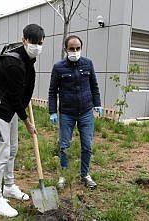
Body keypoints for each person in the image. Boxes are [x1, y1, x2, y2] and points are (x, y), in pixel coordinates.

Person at [0, 24, 45, 218]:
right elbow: (14, 96)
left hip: (10, 108)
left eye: (40, 43)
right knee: (1, 152)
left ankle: (9, 186)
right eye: (34, 42)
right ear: (24, 40)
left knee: (12, 149)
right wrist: (26, 121)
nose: (37, 46)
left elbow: (21, 93)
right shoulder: (14, 63)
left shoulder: (27, 58)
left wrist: (23, 110)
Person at [48, 35, 103, 189]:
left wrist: (97, 104)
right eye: (71, 49)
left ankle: (85, 175)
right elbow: (53, 92)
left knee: (87, 145)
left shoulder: (88, 64)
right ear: (66, 49)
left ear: (81, 48)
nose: (75, 51)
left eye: (77, 48)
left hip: (86, 111)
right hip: (67, 113)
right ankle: (63, 175)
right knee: (64, 145)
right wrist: (52, 111)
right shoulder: (58, 68)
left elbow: (94, 86)